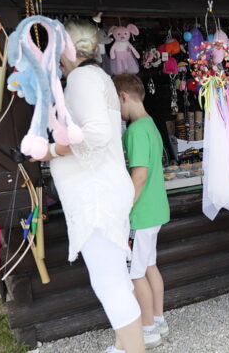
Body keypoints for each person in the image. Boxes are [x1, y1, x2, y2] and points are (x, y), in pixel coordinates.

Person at [35, 20, 144, 353]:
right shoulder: (95, 77)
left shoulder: (82, 78)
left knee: (109, 282)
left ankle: (133, 349)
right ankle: (124, 347)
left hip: (97, 197)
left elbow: (96, 134)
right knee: (115, 280)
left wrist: (51, 150)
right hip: (103, 191)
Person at [113, 74, 171, 349]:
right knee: (149, 266)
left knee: (136, 274)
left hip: (139, 214)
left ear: (123, 96)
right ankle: (158, 319)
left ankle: (148, 328)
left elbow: (139, 176)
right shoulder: (151, 125)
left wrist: (124, 210)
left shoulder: (135, 130)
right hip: (155, 210)